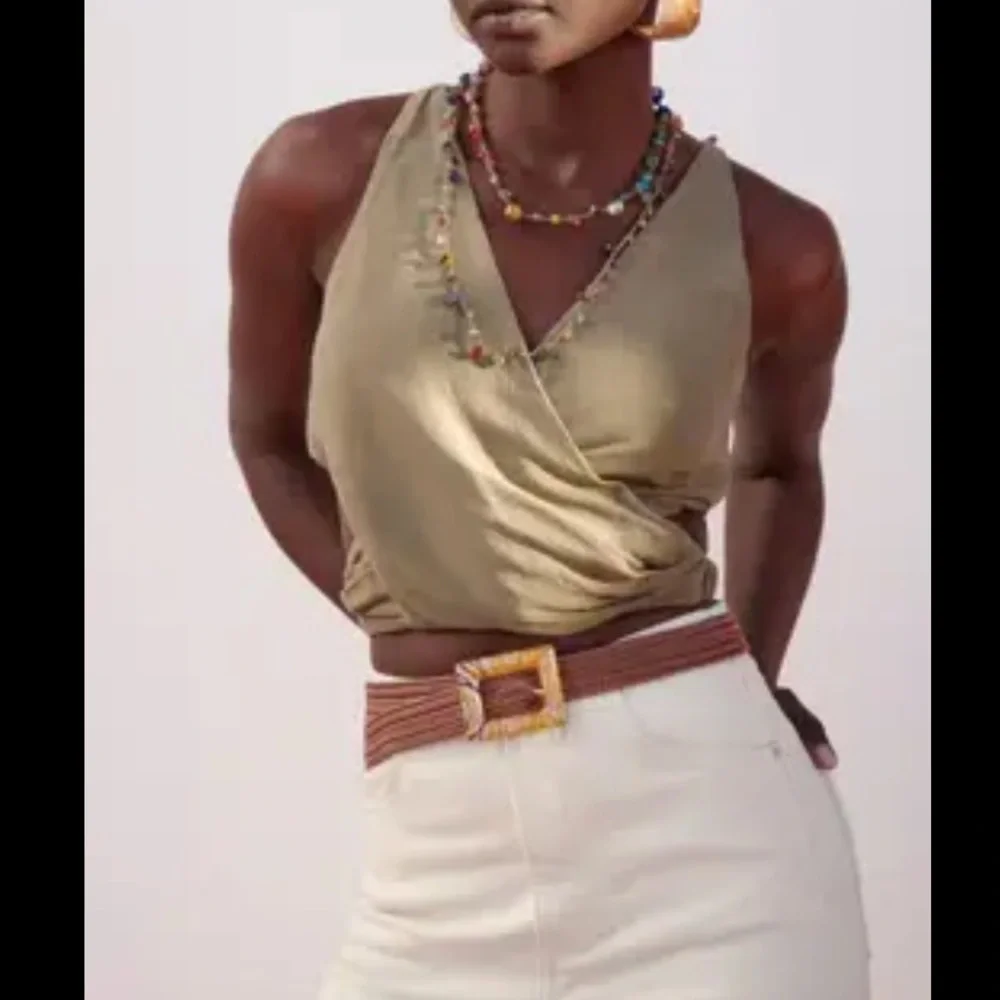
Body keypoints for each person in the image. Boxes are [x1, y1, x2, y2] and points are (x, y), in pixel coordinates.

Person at [226, 1, 870, 996]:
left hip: (712, 850)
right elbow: (267, 436)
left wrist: (754, 678)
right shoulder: (317, 178)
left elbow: (780, 465)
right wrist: (415, 595)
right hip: (427, 854)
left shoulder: (778, 244)